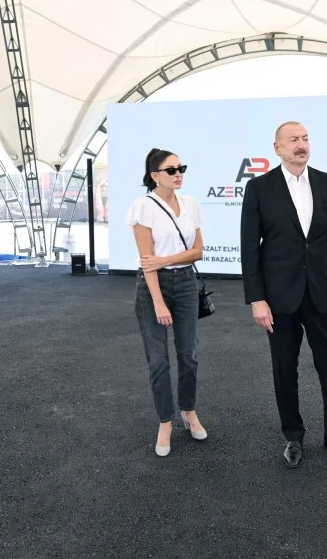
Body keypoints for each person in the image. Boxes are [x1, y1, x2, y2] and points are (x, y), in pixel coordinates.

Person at [240, 121, 327, 468]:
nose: (301, 145)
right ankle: (293, 436)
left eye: (304, 139)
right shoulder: (259, 188)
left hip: (323, 294)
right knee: (284, 368)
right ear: (277, 148)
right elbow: (249, 248)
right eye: (293, 140)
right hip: (278, 297)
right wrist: (257, 299)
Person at [126, 148, 208, 457]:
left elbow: (198, 252)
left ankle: (189, 411)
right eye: (171, 170)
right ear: (154, 175)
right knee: (158, 360)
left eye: (181, 168)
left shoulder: (190, 204)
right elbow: (147, 263)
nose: (178, 174)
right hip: (152, 288)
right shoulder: (142, 207)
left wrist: (165, 259)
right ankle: (165, 422)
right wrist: (159, 303)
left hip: (185, 283)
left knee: (189, 354)